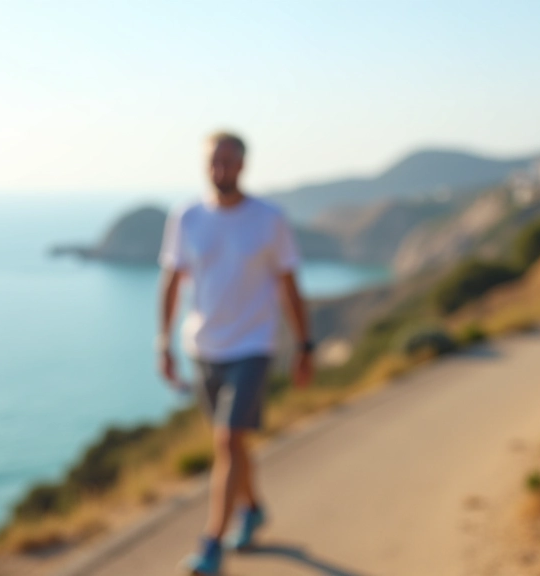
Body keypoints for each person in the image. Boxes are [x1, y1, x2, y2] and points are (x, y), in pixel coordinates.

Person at [157, 131, 314, 575]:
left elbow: (289, 286)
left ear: (244, 165)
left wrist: (304, 345)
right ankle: (253, 508)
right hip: (203, 347)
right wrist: (163, 342)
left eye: (228, 161)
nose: (220, 169)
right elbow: (171, 280)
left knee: (228, 440)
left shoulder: (269, 219)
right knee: (233, 443)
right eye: (213, 161)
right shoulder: (186, 216)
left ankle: (211, 545)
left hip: (253, 345)